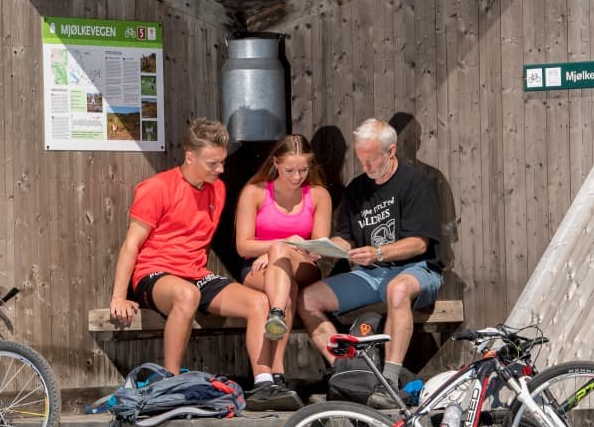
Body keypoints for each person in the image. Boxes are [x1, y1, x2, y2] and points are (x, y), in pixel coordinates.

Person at [108, 118, 302, 410]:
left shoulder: (218, 190)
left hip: (196, 274)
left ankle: (264, 384)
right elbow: (131, 245)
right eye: (213, 163)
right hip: (154, 274)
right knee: (188, 295)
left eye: (222, 162)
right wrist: (119, 296)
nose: (221, 169)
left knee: (259, 302)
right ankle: (169, 383)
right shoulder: (157, 187)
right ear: (190, 157)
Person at [296, 117, 444, 409]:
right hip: (369, 275)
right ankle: (349, 372)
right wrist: (321, 250)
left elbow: (420, 243)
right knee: (307, 299)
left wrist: (378, 253)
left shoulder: (416, 184)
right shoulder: (356, 189)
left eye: (372, 160)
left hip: (416, 270)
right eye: (361, 159)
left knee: (398, 291)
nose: (366, 168)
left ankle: (387, 383)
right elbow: (346, 239)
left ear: (391, 152)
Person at [233, 135, 332, 404]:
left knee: (280, 258)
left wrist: (282, 249)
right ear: (276, 163)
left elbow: (320, 247)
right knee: (286, 292)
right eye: (290, 170)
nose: (297, 176)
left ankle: (275, 316)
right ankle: (277, 376)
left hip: (304, 265)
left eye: (303, 170)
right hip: (259, 268)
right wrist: (275, 248)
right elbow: (243, 245)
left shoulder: (319, 195)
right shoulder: (254, 192)